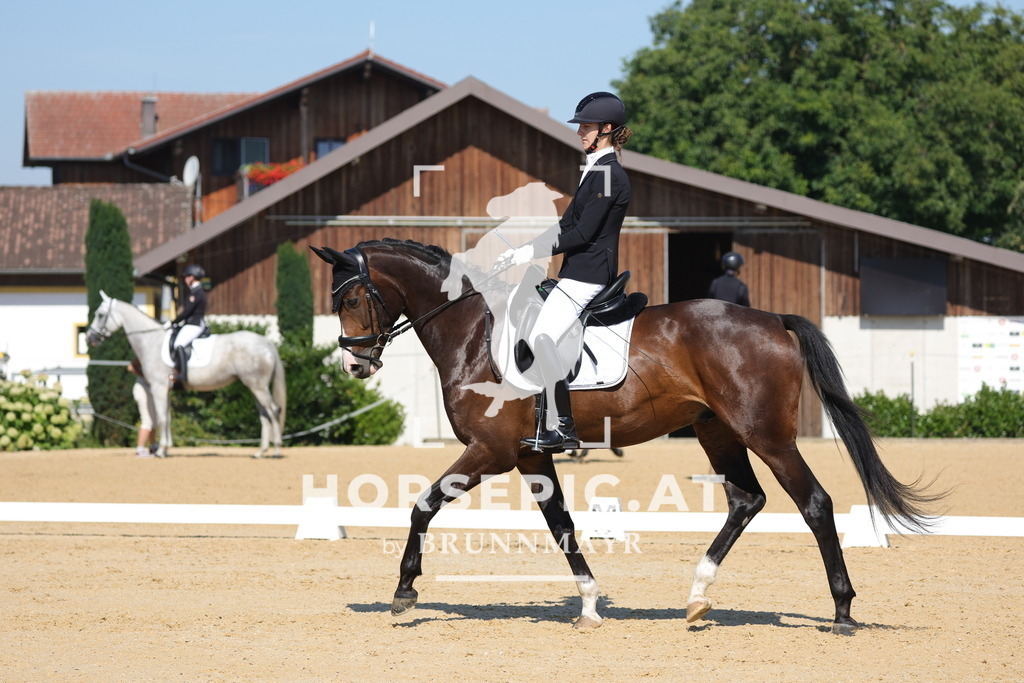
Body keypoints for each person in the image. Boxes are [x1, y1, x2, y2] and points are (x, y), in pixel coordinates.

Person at [499, 91, 632, 453]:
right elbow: (565, 224)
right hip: (576, 272)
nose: (580, 133)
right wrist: (522, 250)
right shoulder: (594, 173)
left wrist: (531, 251)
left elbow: (583, 233)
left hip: (589, 275)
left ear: (606, 129)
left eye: (586, 127)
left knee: (542, 336)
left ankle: (564, 426)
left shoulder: (608, 176)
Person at [169, 263, 208, 387]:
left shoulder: (197, 293)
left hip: (194, 324)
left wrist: (173, 322)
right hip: (192, 323)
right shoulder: (195, 291)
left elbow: (186, 312)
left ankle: (182, 374)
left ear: (192, 277)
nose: (185, 280)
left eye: (186, 277)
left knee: (178, 343)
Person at [127, 358, 158, 458]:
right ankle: (140, 449)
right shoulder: (144, 353)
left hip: (151, 390)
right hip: (143, 390)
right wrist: (145, 376)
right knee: (147, 421)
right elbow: (131, 367)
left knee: (154, 421)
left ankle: (153, 446)